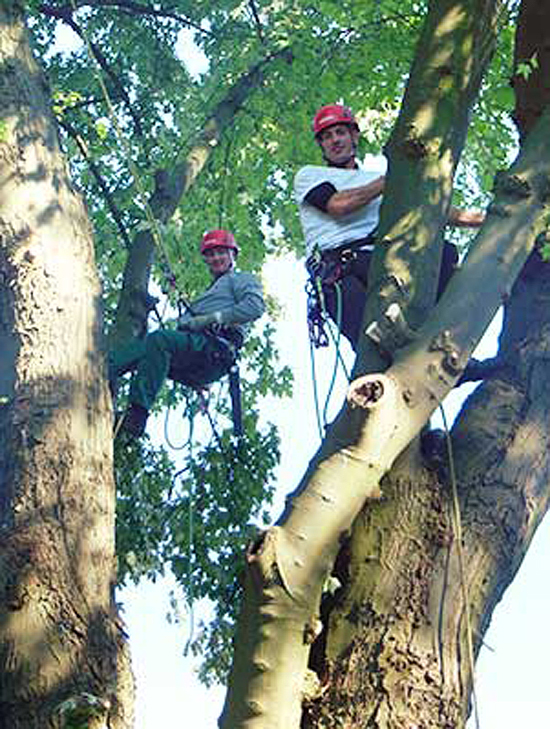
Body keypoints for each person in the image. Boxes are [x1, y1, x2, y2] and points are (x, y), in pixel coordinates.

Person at [294, 103, 485, 351]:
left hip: (382, 256)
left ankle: (438, 341)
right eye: (327, 136)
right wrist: (391, 180)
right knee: (371, 345)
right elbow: (338, 205)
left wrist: (487, 219)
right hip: (342, 268)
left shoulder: (378, 182)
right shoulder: (311, 175)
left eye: (340, 132)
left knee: (444, 252)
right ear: (321, 145)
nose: (335, 140)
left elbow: (430, 211)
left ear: (354, 136)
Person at [110, 229, 265, 438]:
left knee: (160, 340)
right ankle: (107, 369)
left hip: (214, 350)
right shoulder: (209, 294)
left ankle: (135, 414)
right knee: (147, 349)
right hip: (195, 355)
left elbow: (254, 308)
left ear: (233, 254)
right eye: (210, 254)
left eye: (221, 252)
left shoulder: (241, 280)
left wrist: (212, 319)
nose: (215, 258)